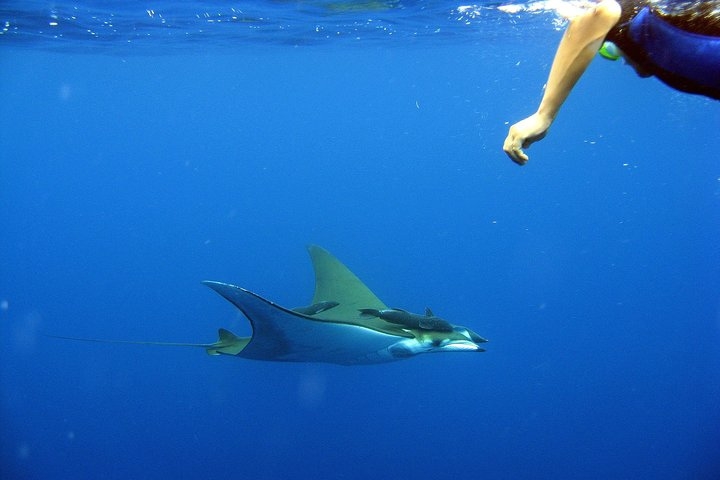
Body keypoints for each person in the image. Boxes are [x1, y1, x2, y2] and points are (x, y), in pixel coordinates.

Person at [503, 0, 720, 165]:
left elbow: (604, 12)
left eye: (610, 50)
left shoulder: (648, 30)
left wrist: (544, 115)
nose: (624, 63)